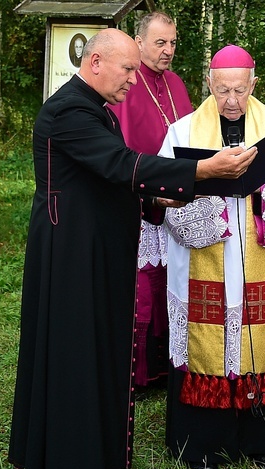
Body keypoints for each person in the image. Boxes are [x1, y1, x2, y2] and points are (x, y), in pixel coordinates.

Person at [8, 28, 257, 469]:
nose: (132, 82)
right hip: (73, 254)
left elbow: (111, 181)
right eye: (127, 70)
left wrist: (158, 201)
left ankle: (93, 457)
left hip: (92, 246)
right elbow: (122, 165)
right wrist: (202, 170)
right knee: (77, 355)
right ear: (96, 61)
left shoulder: (94, 109)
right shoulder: (69, 110)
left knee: (98, 351)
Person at [160, 44, 265, 469]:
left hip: (257, 255)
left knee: (258, 346)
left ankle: (262, 444)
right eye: (223, 90)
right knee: (205, 348)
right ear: (208, 82)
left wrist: (264, 191)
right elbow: (168, 192)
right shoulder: (183, 130)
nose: (230, 100)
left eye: (240, 91)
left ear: (254, 85)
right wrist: (212, 197)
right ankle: (202, 448)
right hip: (205, 262)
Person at [109, 11, 193, 392]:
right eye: (160, 42)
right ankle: (136, 375)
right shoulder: (125, 85)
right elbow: (119, 147)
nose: (169, 50)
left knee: (168, 284)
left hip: (172, 203)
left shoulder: (175, 83)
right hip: (139, 200)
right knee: (142, 288)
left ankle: (164, 368)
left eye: (173, 42)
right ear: (138, 42)